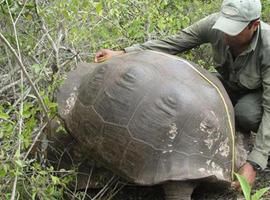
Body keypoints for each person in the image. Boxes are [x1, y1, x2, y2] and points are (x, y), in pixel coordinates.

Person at [94, 0, 270, 190]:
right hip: (230, 82)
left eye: (233, 29)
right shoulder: (215, 25)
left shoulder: (268, 47)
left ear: (254, 25)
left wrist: (254, 163)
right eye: (225, 25)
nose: (226, 33)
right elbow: (174, 43)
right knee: (194, 97)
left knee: (246, 113)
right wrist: (123, 53)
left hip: (258, 93)